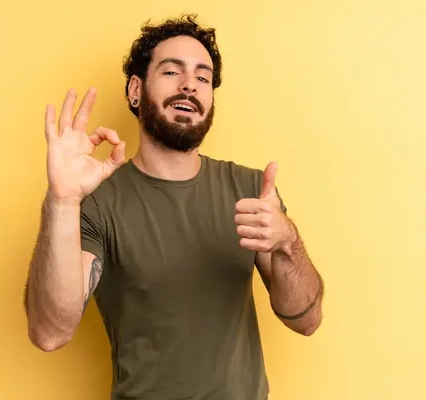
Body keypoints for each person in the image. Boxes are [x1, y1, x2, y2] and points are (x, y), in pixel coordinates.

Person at [24, 14, 324, 400]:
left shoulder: (251, 190)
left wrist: (287, 240)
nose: (189, 86)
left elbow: (308, 320)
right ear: (135, 90)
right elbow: (50, 332)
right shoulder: (97, 202)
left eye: (203, 77)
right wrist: (62, 201)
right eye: (171, 72)